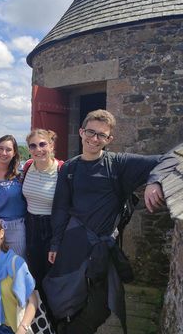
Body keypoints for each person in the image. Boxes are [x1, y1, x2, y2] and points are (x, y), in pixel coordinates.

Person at [46, 109, 179, 334]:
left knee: (101, 307)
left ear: (110, 140)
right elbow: (60, 208)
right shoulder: (69, 168)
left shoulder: (118, 164)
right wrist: (55, 243)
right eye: (91, 132)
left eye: (101, 135)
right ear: (81, 132)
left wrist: (154, 180)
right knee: (67, 295)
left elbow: (174, 155)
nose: (94, 139)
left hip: (102, 247)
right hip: (74, 241)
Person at [21, 129, 63, 324]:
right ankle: (41, 321)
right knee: (34, 277)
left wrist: (57, 242)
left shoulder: (62, 170)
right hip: (30, 228)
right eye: (33, 145)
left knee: (52, 280)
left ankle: (57, 322)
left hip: (52, 229)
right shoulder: (28, 166)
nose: (38, 149)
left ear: (51, 145)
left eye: (42, 144)